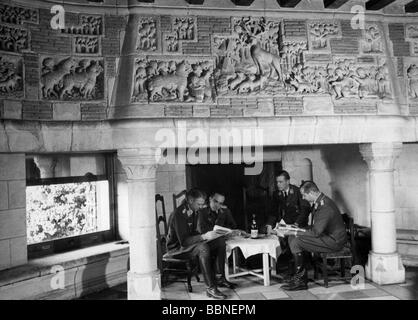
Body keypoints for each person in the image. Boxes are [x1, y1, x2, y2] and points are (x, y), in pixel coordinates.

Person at [279, 181, 348, 291]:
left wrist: (295, 232)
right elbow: (317, 227)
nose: (303, 197)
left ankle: (300, 282)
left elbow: (316, 232)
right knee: (292, 237)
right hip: (328, 235)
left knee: (296, 241)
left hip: (334, 241)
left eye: (304, 195)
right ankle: (299, 277)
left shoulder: (324, 206)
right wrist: (296, 229)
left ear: (311, 192)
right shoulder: (321, 201)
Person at [166, 188, 230, 299]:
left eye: (202, 204)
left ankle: (220, 278)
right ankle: (211, 288)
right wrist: (203, 237)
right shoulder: (179, 214)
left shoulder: (194, 211)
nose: (201, 207)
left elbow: (193, 232)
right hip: (176, 249)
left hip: (188, 245)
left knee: (219, 241)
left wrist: (209, 236)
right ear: (190, 200)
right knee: (203, 248)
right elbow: (184, 242)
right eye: (199, 204)